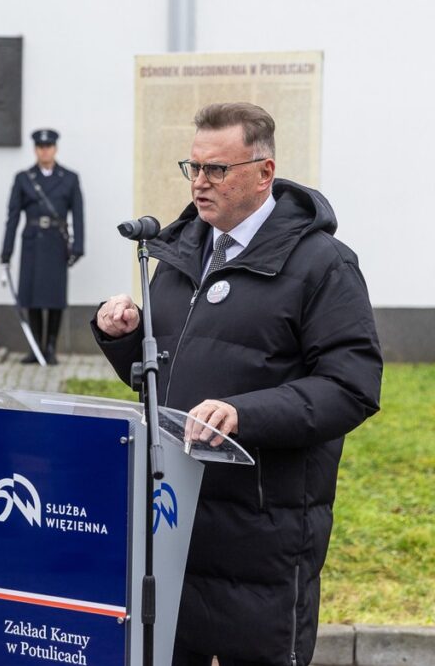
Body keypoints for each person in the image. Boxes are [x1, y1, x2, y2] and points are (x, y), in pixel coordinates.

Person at [92, 103, 382, 665]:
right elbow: (167, 377)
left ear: (264, 172)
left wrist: (244, 414)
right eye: (193, 167)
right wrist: (125, 337)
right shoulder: (179, 253)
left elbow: (352, 386)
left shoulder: (323, 265)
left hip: (262, 532)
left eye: (217, 170)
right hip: (173, 519)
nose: (199, 183)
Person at [0, 128, 84, 365]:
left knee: (54, 297)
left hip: (56, 243)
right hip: (32, 243)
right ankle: (36, 349)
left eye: (48, 147)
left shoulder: (69, 178)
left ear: (55, 149)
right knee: (33, 297)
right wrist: (6, 252)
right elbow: (13, 217)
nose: (44, 151)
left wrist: (78, 246)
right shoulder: (24, 178)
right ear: (35, 149)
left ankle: (50, 348)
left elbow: (78, 214)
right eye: (40, 147)